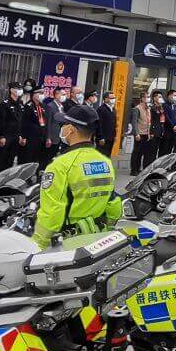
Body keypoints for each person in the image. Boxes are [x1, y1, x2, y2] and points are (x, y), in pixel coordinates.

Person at [32, 103, 116, 246]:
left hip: (68, 241)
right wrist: (107, 228)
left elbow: (52, 212)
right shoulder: (105, 162)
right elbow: (113, 203)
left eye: (63, 124)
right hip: (97, 237)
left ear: (70, 129)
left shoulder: (60, 165)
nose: (61, 127)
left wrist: (38, 245)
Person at [0, 82, 26, 176]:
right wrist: (2, 136)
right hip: (6, 136)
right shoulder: (5, 103)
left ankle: (5, 181)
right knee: (0, 160)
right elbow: (1, 121)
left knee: (10, 160)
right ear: (11, 90)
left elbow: (21, 121)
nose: (20, 90)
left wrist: (20, 135)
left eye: (20, 88)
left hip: (16, 136)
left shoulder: (20, 103)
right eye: (17, 88)